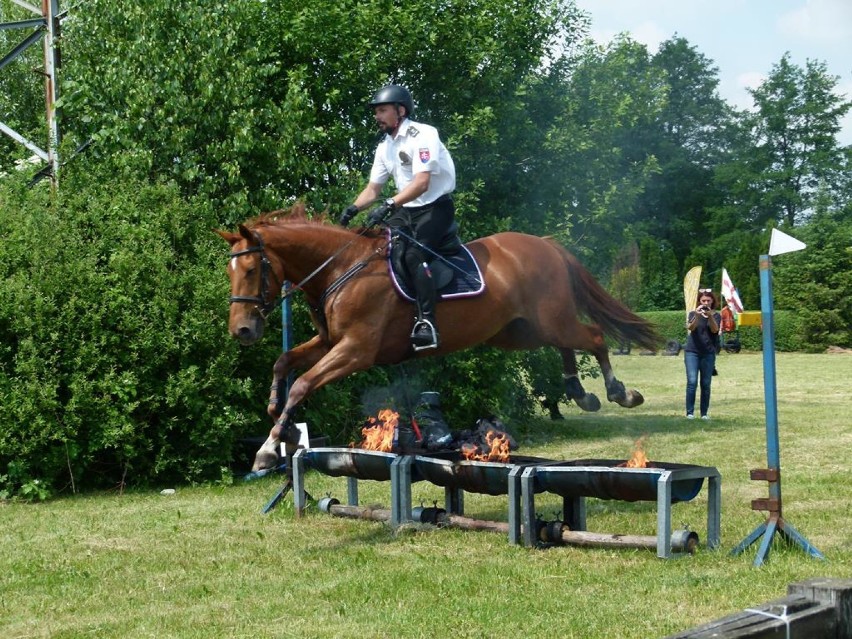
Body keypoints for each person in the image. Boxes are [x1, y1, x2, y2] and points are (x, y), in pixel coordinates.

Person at [338, 84, 456, 350]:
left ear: (400, 111)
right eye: (376, 112)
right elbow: (372, 190)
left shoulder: (423, 134)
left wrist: (389, 204)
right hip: (408, 208)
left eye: (382, 110)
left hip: (435, 207)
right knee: (380, 249)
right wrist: (353, 209)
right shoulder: (385, 148)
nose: (377, 116)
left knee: (414, 255)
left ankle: (427, 323)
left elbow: (422, 183)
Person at [684, 288, 721, 420]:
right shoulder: (693, 313)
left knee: (705, 384)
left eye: (708, 301)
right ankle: (690, 413)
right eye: (703, 300)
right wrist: (698, 315)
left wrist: (709, 316)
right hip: (692, 352)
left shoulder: (716, 315)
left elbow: (715, 329)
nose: (705, 303)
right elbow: (690, 327)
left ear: (712, 302)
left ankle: (704, 414)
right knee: (692, 382)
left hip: (708, 353)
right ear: (699, 301)